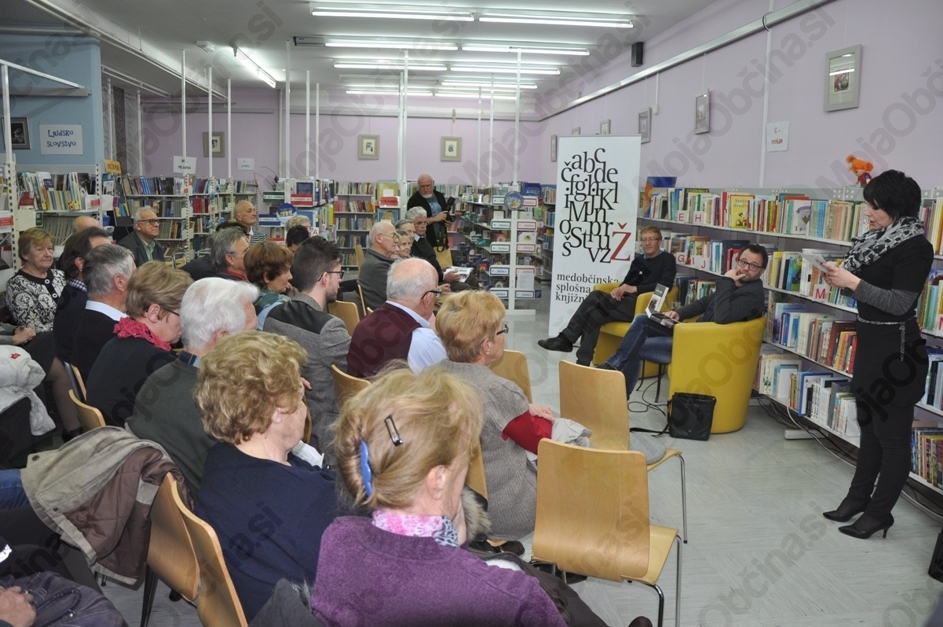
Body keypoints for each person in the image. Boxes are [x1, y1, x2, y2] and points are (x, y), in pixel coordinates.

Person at [310, 367, 567, 626]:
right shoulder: (513, 598)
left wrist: (455, 531)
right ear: (439, 479)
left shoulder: (338, 539)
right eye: (465, 458)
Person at [821, 170, 934, 539]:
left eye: (875, 206)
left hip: (897, 352)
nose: (867, 212)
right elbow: (865, 292)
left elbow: (900, 303)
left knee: (893, 439)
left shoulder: (916, 247)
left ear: (897, 208)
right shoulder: (874, 240)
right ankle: (857, 499)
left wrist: (853, 282)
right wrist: (839, 280)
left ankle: (879, 513)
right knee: (869, 431)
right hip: (870, 342)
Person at [194, 331, 337, 622]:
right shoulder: (310, 501)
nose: (304, 406)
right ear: (275, 411)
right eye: (300, 396)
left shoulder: (218, 459)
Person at [436, 290, 555, 541]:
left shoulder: (430, 375)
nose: (505, 336)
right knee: (576, 445)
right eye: (502, 330)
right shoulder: (498, 391)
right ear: (486, 346)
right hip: (505, 509)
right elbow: (541, 443)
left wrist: (522, 408)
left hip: (453, 500)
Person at [127, 279, 259, 496]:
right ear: (223, 339)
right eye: (252, 332)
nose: (258, 341)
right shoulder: (222, 409)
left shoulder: (157, 379)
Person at [601, 243, 768, 397]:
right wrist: (678, 314)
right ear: (737, 261)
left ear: (762, 271)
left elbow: (722, 317)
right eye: (743, 262)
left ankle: (619, 397)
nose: (746, 268)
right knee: (642, 319)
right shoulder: (737, 284)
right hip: (692, 334)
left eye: (753, 266)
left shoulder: (752, 295)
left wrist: (727, 280)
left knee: (636, 346)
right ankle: (613, 365)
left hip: (703, 345)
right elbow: (705, 303)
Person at [538, 225, 677, 365]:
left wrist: (635, 289)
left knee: (595, 296)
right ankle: (583, 362)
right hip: (625, 303)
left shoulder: (667, 259)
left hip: (642, 306)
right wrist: (619, 290)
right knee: (594, 314)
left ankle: (566, 338)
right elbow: (627, 283)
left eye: (652, 239)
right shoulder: (638, 261)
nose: (647, 243)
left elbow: (665, 285)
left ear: (659, 241)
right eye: (644, 239)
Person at [264, 237, 350, 458]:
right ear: (325, 278)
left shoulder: (273, 316)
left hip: (284, 426)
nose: (340, 280)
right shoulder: (329, 329)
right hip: (327, 435)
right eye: (338, 274)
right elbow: (360, 373)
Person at [85, 262, 192, 427]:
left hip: (111, 436)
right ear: (154, 313)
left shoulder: (116, 342)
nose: (186, 323)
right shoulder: (158, 362)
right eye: (182, 314)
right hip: (133, 439)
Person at [348, 258, 446, 378]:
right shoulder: (423, 341)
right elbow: (450, 384)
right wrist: (436, 336)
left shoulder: (363, 324)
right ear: (427, 298)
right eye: (436, 293)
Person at [70, 245, 134, 381]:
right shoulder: (119, 334)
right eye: (135, 274)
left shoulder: (84, 318)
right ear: (120, 282)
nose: (141, 282)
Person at [54, 226, 111, 363]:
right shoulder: (85, 307)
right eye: (105, 255)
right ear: (81, 264)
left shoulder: (74, 292)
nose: (115, 261)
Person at [5, 228, 65, 332]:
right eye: (40, 249)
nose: (47, 254)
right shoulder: (16, 285)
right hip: (48, 340)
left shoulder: (60, 275)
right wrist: (72, 323)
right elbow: (34, 329)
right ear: (25, 255)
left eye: (50, 248)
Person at [404, 207, 474, 291]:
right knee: (465, 287)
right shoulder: (411, 243)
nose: (423, 226)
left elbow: (430, 261)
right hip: (431, 281)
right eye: (419, 223)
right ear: (411, 224)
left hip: (438, 275)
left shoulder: (422, 238)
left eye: (425, 222)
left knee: (472, 278)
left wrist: (441, 269)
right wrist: (444, 276)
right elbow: (421, 271)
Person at [244, 241, 293, 328]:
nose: (290, 276)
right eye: (285, 271)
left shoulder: (244, 299)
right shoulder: (282, 308)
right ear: (267, 276)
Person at [181, 222, 249, 281]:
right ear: (230, 259)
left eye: (249, 248)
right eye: (245, 251)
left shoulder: (247, 275)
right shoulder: (228, 285)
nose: (251, 253)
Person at [357, 220, 398, 310]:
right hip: (388, 314)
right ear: (379, 238)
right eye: (393, 236)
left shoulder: (373, 260)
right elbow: (399, 296)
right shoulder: (377, 267)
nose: (396, 240)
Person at [406, 173, 450, 249]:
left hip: (442, 241)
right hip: (425, 243)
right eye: (422, 186)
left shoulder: (439, 196)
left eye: (428, 186)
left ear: (433, 183)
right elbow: (411, 223)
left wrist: (447, 220)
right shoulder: (413, 200)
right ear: (418, 186)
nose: (426, 189)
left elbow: (444, 212)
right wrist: (434, 219)